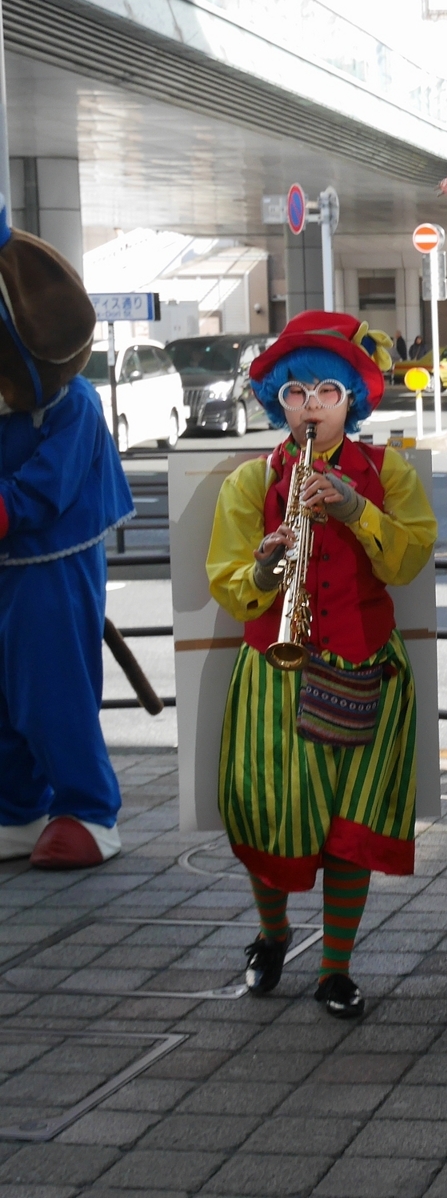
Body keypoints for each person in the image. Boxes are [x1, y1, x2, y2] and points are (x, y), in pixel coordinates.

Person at [206, 311, 437, 1018]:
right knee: (266, 814)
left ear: (352, 403)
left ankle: (335, 967)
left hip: (366, 664)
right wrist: (269, 564)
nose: (311, 405)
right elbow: (226, 577)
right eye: (296, 392)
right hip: (275, 676)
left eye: (328, 391)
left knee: (351, 821)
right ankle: (273, 936)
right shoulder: (251, 482)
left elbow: (410, 557)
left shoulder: (386, 471)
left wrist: (356, 510)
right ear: (279, 400)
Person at [0, 202, 135, 869]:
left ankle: (87, 808)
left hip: (51, 562)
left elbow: (46, 488)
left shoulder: (70, 402)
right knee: (1, 693)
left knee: (50, 687)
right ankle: (15, 809)